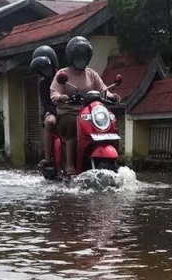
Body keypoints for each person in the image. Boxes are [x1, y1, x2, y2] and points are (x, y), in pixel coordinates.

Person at [49, 36, 121, 176]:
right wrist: (61, 97)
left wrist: (113, 96)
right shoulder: (63, 74)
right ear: (71, 57)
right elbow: (54, 92)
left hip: (89, 113)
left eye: (83, 56)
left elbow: (103, 90)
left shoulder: (91, 74)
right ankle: (70, 164)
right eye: (78, 56)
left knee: (112, 122)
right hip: (70, 112)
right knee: (72, 125)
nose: (81, 59)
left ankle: (115, 161)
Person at [29, 45, 59, 168]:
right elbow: (46, 103)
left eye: (47, 67)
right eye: (42, 69)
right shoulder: (43, 83)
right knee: (50, 122)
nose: (46, 71)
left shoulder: (63, 76)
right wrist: (57, 111)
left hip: (69, 108)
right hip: (52, 110)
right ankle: (47, 158)